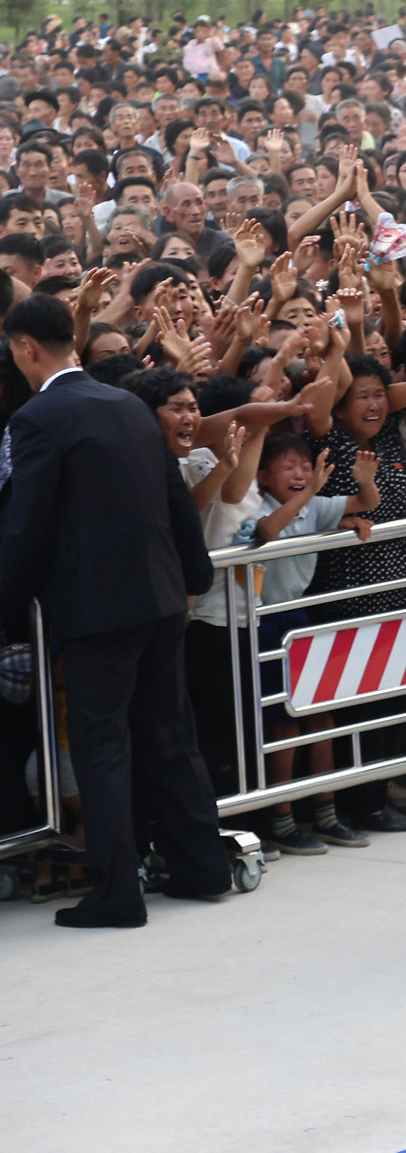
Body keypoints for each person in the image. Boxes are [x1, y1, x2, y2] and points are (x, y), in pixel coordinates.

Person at [0, 294, 232, 927]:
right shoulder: (127, 403)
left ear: (25, 347)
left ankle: (117, 893)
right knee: (169, 734)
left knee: (102, 746)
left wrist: (8, 610)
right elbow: (175, 498)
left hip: (96, 609)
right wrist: (193, 573)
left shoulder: (37, 418)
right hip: (160, 598)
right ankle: (202, 867)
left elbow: (27, 526)